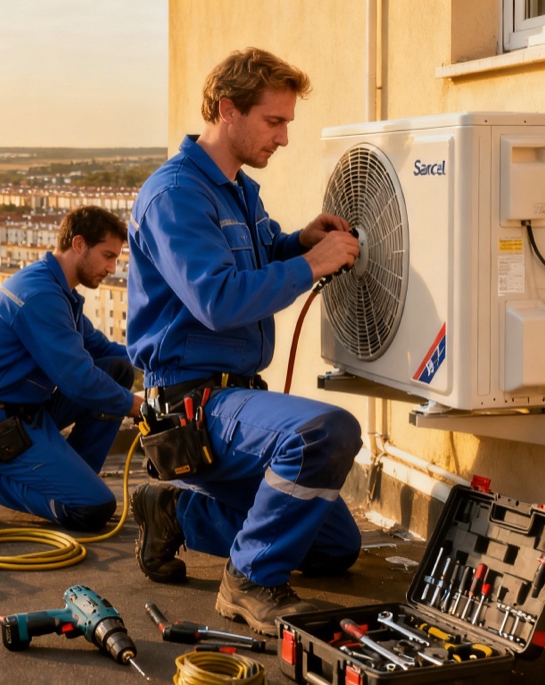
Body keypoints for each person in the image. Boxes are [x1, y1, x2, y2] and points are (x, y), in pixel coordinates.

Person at [126, 47, 364, 635]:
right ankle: (249, 583)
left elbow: (255, 256)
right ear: (227, 111)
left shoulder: (237, 189)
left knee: (334, 548)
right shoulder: (175, 195)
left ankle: (178, 510)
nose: (283, 138)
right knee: (326, 430)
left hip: (233, 398)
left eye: (286, 122)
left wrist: (296, 242)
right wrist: (310, 265)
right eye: (274, 121)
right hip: (193, 405)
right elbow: (219, 299)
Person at [0, 205, 144, 531]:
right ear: (79, 244)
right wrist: (139, 406)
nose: (112, 267)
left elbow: (100, 349)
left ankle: (74, 479)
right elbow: (79, 379)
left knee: (117, 369)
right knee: (93, 510)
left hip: (25, 411)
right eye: (107, 256)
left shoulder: (56, 289)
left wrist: (159, 362)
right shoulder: (41, 295)